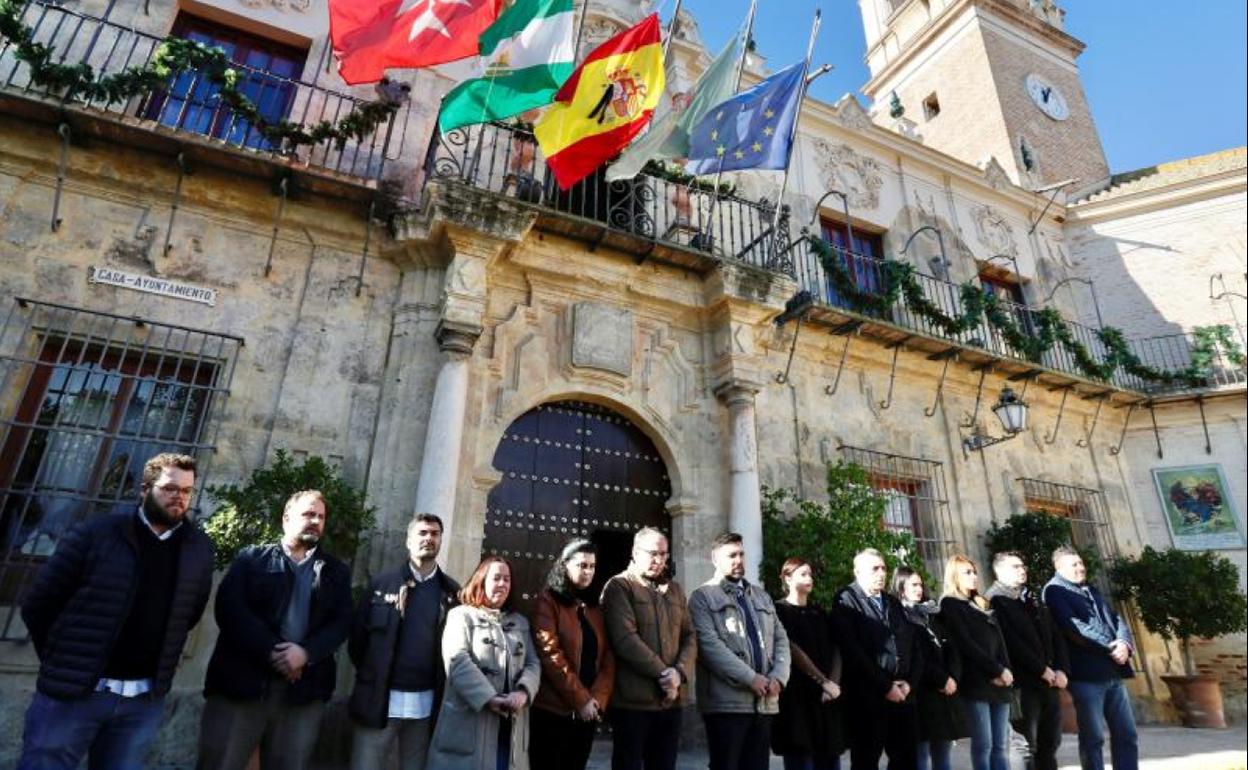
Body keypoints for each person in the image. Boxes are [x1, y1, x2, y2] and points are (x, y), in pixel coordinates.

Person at [18, 452, 215, 770]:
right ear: (144, 489)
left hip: (141, 703)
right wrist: (63, 661)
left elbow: (188, 615)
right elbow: (40, 604)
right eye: (169, 488)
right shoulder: (97, 534)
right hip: (74, 696)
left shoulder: (198, 550)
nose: (178, 497)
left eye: (186, 491)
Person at [198, 490, 353, 770]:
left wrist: (305, 653)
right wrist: (274, 651)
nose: (315, 521)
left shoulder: (335, 572)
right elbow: (231, 611)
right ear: (286, 518)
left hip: (303, 691)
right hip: (242, 685)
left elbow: (341, 623)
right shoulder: (251, 559)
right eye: (308, 514)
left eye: (320, 517)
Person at [348, 513, 461, 770]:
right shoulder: (380, 585)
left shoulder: (453, 593)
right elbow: (357, 642)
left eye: (434, 534)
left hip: (426, 709)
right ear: (409, 540)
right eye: (422, 533)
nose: (428, 539)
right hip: (380, 701)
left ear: (441, 540)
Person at [427, 555, 540, 770]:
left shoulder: (520, 622)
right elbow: (457, 660)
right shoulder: (461, 616)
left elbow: (533, 663)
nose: (502, 584)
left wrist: (524, 692)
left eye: (507, 579)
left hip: (511, 729)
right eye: (496, 578)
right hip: (470, 725)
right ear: (481, 581)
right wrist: (489, 698)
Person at [689, 532, 791, 770]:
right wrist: (751, 678)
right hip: (726, 705)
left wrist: (779, 677)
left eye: (741, 554)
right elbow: (710, 647)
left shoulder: (761, 596)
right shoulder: (702, 597)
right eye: (731, 555)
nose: (738, 560)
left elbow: (781, 639)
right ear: (715, 559)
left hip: (764, 702)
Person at [600, 526, 697, 770]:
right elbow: (625, 639)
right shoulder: (619, 586)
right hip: (633, 702)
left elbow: (690, 636)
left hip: (671, 702)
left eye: (664, 554)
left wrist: (679, 673)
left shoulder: (675, 590)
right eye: (653, 553)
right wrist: (665, 674)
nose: (659, 560)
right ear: (635, 552)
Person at [1043, 546, 1138, 770]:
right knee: (1093, 738)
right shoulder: (1054, 591)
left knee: (1127, 733)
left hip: (1113, 672)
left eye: (1081, 563)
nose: (1080, 568)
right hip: (1086, 676)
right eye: (1074, 564)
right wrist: (1110, 646)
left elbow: (1115, 619)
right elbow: (1074, 627)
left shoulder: (1090, 589)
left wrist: (1124, 643)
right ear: (1059, 567)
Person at [831, 548, 921, 770]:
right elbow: (852, 651)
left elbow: (911, 644)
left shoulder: (893, 602)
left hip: (902, 694)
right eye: (875, 569)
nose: (881, 573)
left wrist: (909, 682)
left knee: (906, 758)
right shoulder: (846, 599)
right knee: (866, 759)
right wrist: (885, 686)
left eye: (883, 568)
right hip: (868, 697)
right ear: (858, 571)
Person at [530, 539, 616, 770]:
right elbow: (551, 654)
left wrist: (596, 699)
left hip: (587, 713)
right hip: (553, 711)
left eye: (592, 566)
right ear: (564, 565)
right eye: (582, 565)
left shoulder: (595, 607)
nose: (588, 571)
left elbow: (609, 656)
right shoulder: (548, 602)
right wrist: (581, 700)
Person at [986, 551, 1069, 770]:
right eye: (1015, 567)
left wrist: (1061, 669)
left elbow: (1055, 634)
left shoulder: (1031, 597)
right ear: (999, 571)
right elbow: (1011, 642)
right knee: (1026, 745)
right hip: (1024, 685)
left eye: (1023, 566)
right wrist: (1042, 669)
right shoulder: (996, 601)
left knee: (1050, 743)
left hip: (1049, 681)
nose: (1022, 570)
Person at [939, 555, 1013, 770]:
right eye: (967, 572)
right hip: (977, 682)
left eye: (974, 572)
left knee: (1001, 745)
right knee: (984, 745)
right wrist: (996, 670)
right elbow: (965, 643)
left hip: (1001, 681)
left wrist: (1006, 670)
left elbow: (999, 639)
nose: (974, 576)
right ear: (954, 577)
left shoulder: (980, 602)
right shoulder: (949, 604)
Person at [772, 558, 845, 770]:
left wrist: (833, 684)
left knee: (830, 760)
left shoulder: (819, 612)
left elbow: (836, 649)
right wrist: (823, 682)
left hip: (826, 699)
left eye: (810, 574)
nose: (809, 579)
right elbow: (792, 649)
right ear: (787, 578)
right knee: (800, 759)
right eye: (803, 574)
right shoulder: (779, 611)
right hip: (797, 699)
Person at [893, 567, 967, 770]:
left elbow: (951, 647)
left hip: (944, 694)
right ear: (901, 588)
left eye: (920, 584)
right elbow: (919, 657)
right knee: (921, 756)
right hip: (922, 693)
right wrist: (941, 679)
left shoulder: (933, 615)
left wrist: (953, 678)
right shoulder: (901, 616)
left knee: (943, 755)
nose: (919, 589)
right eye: (913, 585)